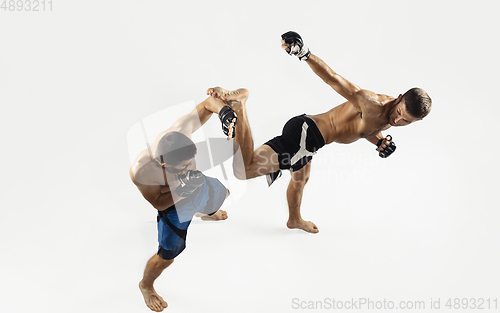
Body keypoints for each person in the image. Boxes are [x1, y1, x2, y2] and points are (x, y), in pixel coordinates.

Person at [207, 31, 432, 234]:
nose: (397, 120)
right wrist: (304, 53)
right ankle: (240, 106)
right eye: (399, 113)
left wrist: (379, 143)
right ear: (399, 98)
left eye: (406, 121)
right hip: (305, 137)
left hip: (309, 139)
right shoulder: (372, 103)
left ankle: (294, 219)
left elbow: (366, 129)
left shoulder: (389, 117)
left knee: (300, 179)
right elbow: (333, 79)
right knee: (244, 170)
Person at [129, 95, 237, 312]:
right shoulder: (142, 170)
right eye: (182, 167)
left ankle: (206, 212)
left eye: (190, 163)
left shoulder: (179, 132)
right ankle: (146, 285)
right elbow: (158, 203)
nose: (188, 168)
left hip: (195, 186)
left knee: (224, 192)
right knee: (169, 255)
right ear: (164, 163)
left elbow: (208, 104)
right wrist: (182, 189)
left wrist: (224, 114)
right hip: (172, 205)